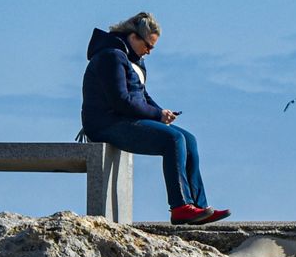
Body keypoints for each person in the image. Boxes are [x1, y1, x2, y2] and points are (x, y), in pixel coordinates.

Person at [80, 12, 230, 225]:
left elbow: (142, 95)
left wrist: (161, 113)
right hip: (106, 123)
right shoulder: (111, 56)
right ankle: (179, 207)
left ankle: (198, 206)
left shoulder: (134, 60)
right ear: (133, 37)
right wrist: (156, 115)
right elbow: (121, 101)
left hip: (125, 119)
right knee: (173, 140)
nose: (149, 52)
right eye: (148, 46)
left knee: (189, 140)